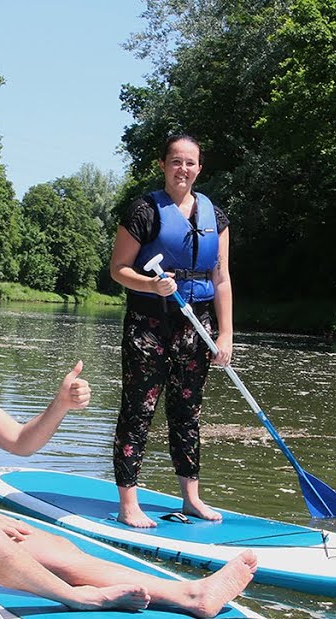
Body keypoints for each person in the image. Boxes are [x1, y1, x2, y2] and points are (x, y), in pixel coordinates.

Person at [0, 275, 256, 617]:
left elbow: (20, 442)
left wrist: (59, 405)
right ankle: (76, 598)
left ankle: (190, 595)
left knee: (55, 546)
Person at [108, 134, 233, 528]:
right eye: (175, 161)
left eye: (190, 163)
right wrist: (151, 284)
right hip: (149, 325)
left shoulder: (217, 217)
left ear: (199, 168)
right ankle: (129, 503)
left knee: (187, 412)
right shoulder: (143, 211)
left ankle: (191, 498)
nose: (183, 169)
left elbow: (222, 278)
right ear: (163, 165)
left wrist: (225, 334)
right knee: (138, 410)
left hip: (198, 327)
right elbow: (118, 269)